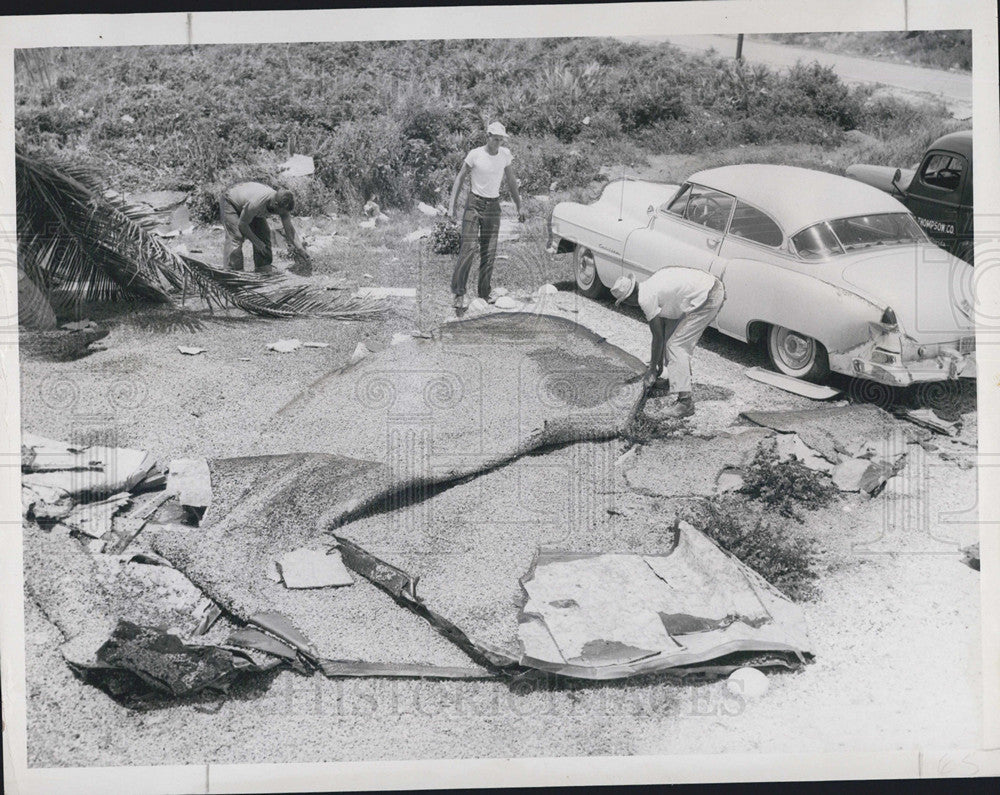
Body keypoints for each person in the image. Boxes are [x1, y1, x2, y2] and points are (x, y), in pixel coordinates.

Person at [611, 267, 725, 419]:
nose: (628, 305)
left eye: (625, 302)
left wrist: (652, 369)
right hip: (711, 287)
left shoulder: (645, 298)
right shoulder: (652, 285)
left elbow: (657, 337)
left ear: (630, 298)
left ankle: (685, 403)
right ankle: (675, 380)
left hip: (709, 295)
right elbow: (665, 331)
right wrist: (658, 368)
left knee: (676, 345)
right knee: (672, 338)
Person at [448, 121, 526, 309]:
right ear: (488, 136)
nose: (498, 143)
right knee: (468, 249)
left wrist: (519, 206)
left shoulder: (505, 155)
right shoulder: (475, 154)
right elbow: (459, 179)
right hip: (474, 204)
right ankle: (458, 293)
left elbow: (511, 181)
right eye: (495, 139)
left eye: (501, 139)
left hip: (493, 205)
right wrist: (452, 207)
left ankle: (484, 292)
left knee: (489, 251)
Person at [220, 182, 307, 273]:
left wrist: (300, 249)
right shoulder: (256, 203)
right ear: (275, 204)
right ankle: (233, 271)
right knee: (236, 237)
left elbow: (289, 230)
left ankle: (263, 269)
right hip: (231, 201)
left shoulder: (283, 205)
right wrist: (257, 242)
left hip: (248, 206)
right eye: (281, 213)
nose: (282, 215)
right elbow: (242, 224)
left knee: (264, 234)